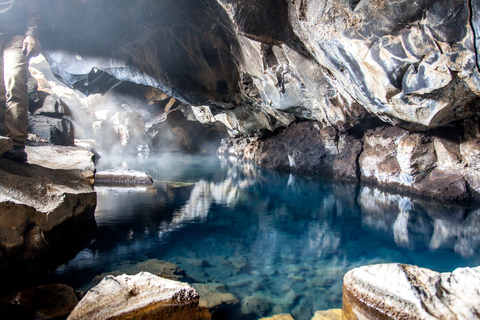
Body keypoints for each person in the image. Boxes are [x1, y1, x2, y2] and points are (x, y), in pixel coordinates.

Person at [0, 0, 41, 163]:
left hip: (16, 36)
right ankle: (3, 140)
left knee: (15, 78)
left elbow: (34, 5)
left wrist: (32, 33)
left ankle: (16, 144)